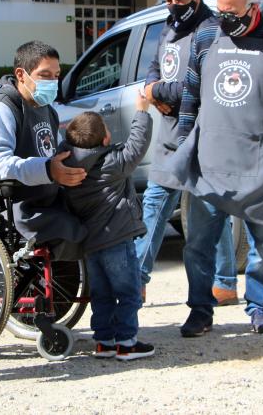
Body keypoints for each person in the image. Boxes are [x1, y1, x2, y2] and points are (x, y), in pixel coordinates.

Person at [153, 0, 263, 337]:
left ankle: (260, 306)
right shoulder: (208, 36)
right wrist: (183, 147)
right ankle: (200, 310)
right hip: (209, 161)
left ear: (254, 7)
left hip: (262, 161)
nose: (224, 20)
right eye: (220, 10)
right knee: (198, 242)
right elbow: (191, 96)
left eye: (232, 13)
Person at [138, 0, 238, 305]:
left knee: (211, 210)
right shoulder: (170, 26)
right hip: (169, 137)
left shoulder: (213, 30)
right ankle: (136, 279)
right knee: (153, 205)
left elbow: (203, 84)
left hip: (202, 136)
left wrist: (158, 94)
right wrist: (153, 89)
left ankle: (224, 282)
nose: (173, 4)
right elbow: (155, 67)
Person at [0, 41, 88, 257]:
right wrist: (49, 170)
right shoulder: (0, 109)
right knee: (74, 228)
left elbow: (56, 154)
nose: (53, 82)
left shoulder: (47, 110)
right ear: (21, 74)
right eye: (45, 75)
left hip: (43, 196)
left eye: (56, 75)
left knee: (104, 211)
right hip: (9, 204)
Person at [58, 93, 154, 360]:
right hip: (118, 241)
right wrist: (142, 111)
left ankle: (104, 342)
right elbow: (138, 144)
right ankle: (127, 342)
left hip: (90, 245)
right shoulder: (111, 163)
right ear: (105, 140)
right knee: (128, 292)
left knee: (101, 295)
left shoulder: (66, 166)